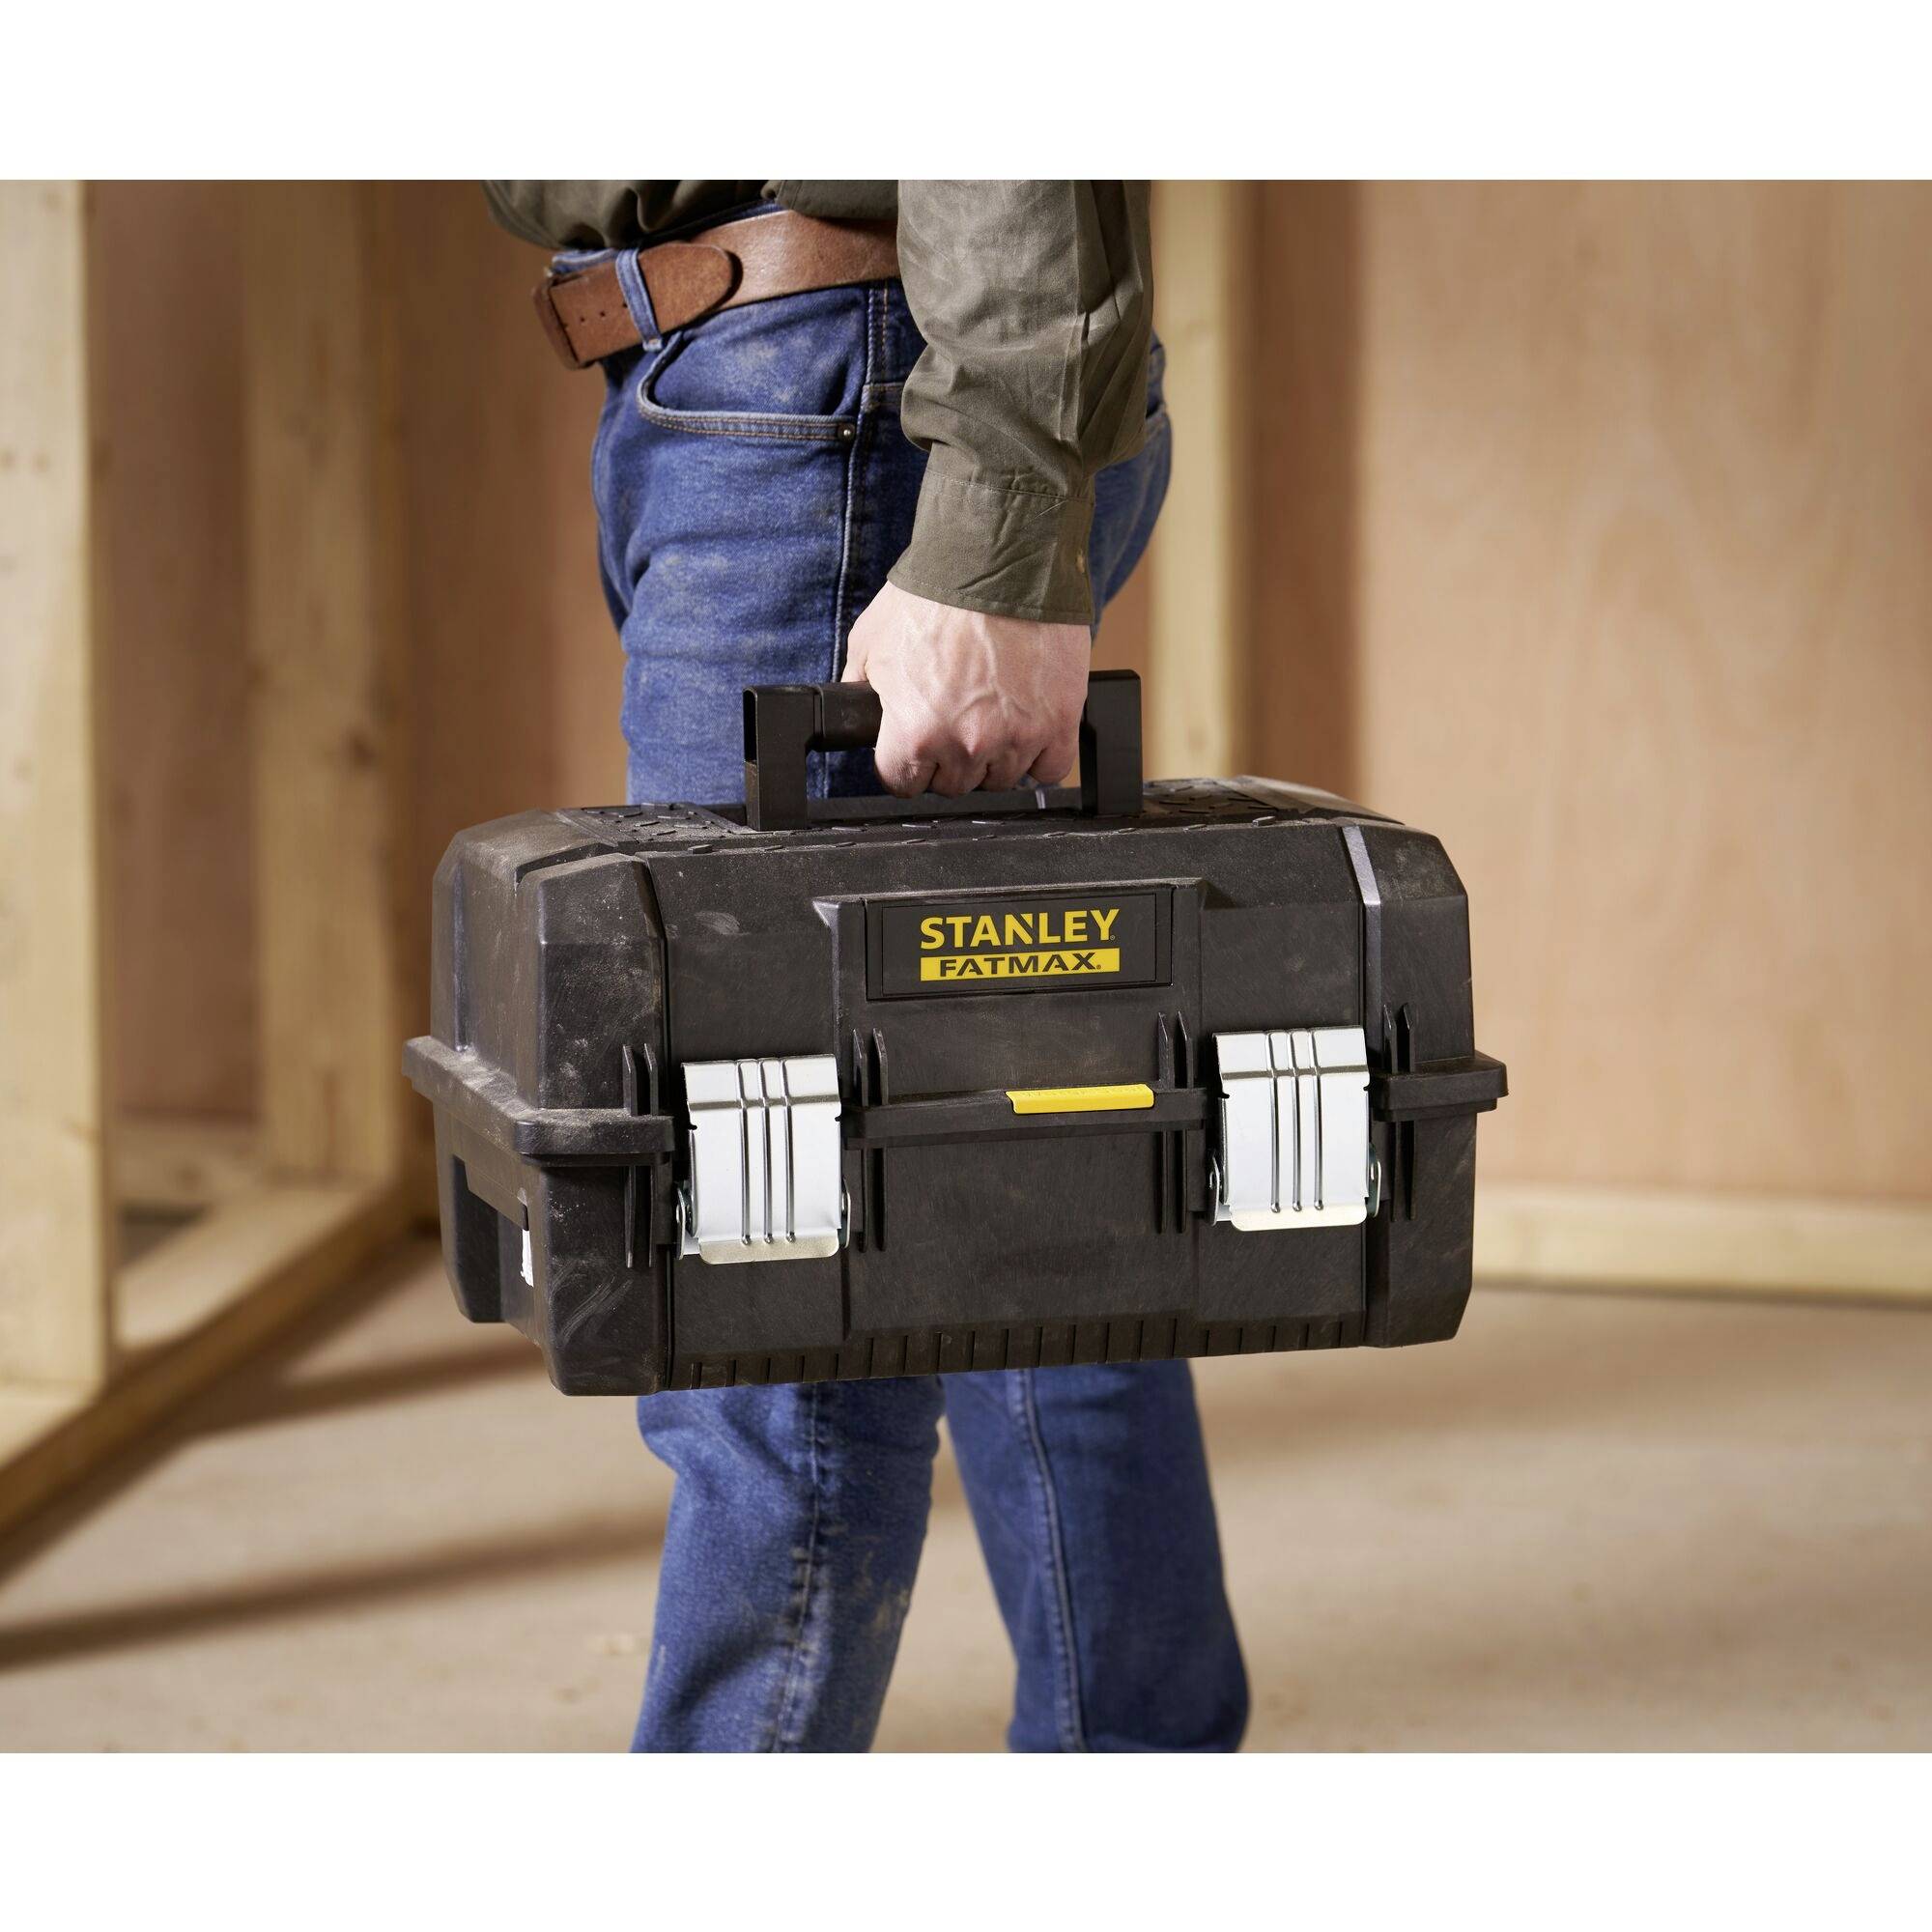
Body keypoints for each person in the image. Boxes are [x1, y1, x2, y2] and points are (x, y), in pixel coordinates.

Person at [487, 181, 1248, 1752]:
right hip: (795, 384)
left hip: (843, 402)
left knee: (767, 1282)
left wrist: (988, 534)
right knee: (1043, 1168)